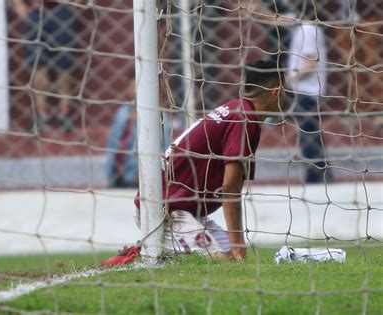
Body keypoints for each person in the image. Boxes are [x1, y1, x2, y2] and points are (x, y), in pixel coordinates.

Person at [100, 59, 286, 266]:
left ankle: (155, 249)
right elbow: (231, 187)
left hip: (180, 208)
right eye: (285, 90)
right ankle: (134, 256)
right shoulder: (244, 119)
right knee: (225, 262)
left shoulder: (237, 110)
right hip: (165, 209)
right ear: (276, 91)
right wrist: (238, 245)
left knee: (234, 263)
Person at [12, 0, 82, 133]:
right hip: (35, 12)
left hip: (62, 11)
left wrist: (73, 7)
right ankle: (41, 115)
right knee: (38, 67)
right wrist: (20, 6)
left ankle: (64, 115)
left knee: (64, 68)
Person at [285, 0, 329, 183]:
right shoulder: (303, 26)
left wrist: (289, 79)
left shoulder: (308, 30)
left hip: (308, 89)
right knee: (309, 132)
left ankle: (316, 175)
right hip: (304, 89)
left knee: (308, 134)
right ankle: (321, 173)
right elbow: (280, 20)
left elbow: (310, 63)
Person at [105, 82, 171, 188]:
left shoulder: (160, 117)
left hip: (145, 173)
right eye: (133, 86)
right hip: (119, 172)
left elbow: (165, 146)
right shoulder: (122, 113)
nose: (137, 90)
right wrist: (110, 170)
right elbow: (112, 143)